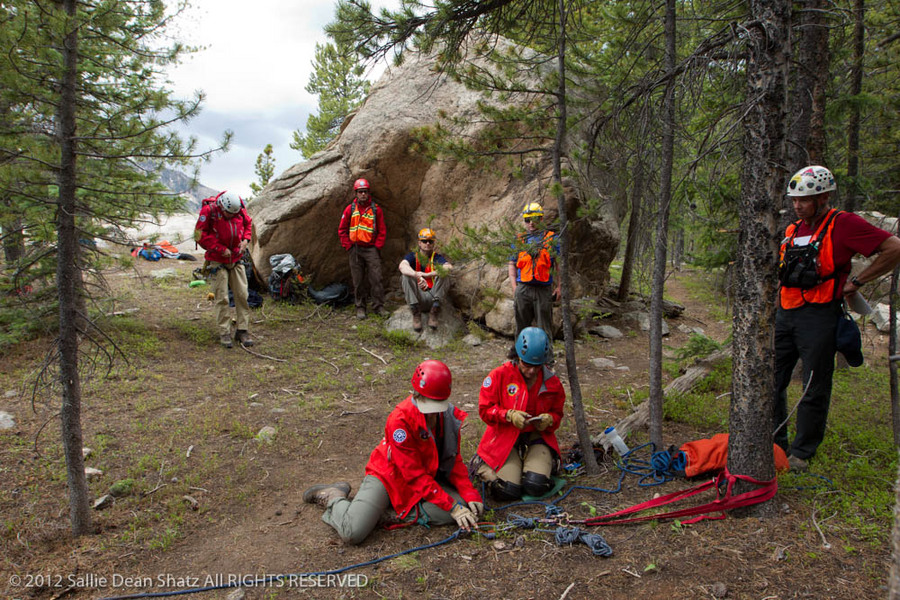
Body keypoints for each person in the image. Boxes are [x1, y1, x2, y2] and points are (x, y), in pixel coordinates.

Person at [775, 165, 900, 471]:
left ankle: (801, 453)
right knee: (771, 379)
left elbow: (893, 247)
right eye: (794, 200)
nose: (797, 205)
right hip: (785, 312)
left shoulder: (843, 224)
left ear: (824, 197)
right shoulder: (794, 229)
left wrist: (857, 283)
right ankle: (775, 443)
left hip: (819, 315)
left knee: (813, 384)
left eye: (804, 200)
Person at [302, 360, 484, 545]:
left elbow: (453, 460)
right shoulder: (400, 420)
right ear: (416, 395)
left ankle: (391, 513)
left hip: (425, 478)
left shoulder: (447, 416)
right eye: (427, 406)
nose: (431, 414)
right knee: (352, 532)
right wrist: (452, 506)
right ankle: (335, 497)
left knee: (463, 508)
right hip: (388, 477)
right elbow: (413, 475)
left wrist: (470, 494)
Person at [472, 327, 566, 501]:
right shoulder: (499, 376)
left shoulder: (552, 383)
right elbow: (485, 410)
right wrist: (508, 415)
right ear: (517, 356)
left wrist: (550, 419)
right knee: (506, 491)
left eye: (537, 366)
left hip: (536, 436)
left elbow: (558, 414)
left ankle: (535, 465)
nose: (531, 371)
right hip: (505, 437)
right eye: (527, 364)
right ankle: (483, 466)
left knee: (535, 485)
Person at [195, 191, 254, 348]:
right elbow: (199, 235)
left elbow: (248, 224)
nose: (231, 216)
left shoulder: (238, 209)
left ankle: (242, 330)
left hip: (236, 258)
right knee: (222, 297)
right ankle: (224, 332)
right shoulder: (209, 212)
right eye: (228, 213)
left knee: (242, 294)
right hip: (217, 260)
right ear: (222, 206)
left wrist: (245, 241)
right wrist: (219, 248)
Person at [508, 202, 560, 359]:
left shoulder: (551, 238)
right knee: (521, 326)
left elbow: (558, 264)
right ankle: (519, 358)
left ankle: (547, 360)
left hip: (543, 289)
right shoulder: (519, 240)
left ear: (541, 219)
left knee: (545, 327)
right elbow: (512, 263)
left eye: (535, 219)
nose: (531, 223)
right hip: (523, 289)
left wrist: (559, 287)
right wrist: (514, 288)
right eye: (528, 219)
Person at [338, 178, 387, 319]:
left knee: (376, 279)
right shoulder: (350, 209)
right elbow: (342, 230)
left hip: (371, 249)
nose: (363, 194)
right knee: (358, 281)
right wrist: (348, 246)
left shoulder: (376, 209)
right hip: (355, 249)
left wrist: (377, 247)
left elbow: (382, 231)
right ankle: (360, 307)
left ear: (368, 192)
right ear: (356, 193)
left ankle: (379, 306)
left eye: (365, 191)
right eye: (360, 192)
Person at [398, 228, 453, 331]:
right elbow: (402, 266)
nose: (427, 243)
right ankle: (416, 313)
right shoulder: (413, 256)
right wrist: (417, 275)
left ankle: (434, 311)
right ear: (419, 243)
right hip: (418, 298)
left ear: (433, 243)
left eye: (430, 241)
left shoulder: (436, 257)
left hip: (434, 297)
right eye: (424, 241)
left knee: (445, 275)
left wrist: (427, 275)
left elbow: (448, 267)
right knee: (405, 276)